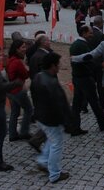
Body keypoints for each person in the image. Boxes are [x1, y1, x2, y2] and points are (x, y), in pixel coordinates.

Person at [31, 52, 71, 183]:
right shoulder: (51, 82)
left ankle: (43, 161)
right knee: (56, 144)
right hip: (51, 119)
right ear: (53, 66)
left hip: (41, 116)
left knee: (51, 139)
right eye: (58, 64)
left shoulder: (38, 76)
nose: (60, 66)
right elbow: (59, 104)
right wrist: (66, 121)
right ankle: (54, 174)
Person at [69, 25, 104, 135]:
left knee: (77, 104)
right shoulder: (82, 45)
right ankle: (102, 122)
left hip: (76, 77)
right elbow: (89, 60)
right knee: (94, 102)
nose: (92, 35)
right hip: (85, 78)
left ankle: (75, 126)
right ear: (84, 33)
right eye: (90, 33)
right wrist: (101, 65)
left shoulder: (74, 44)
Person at [6, 40, 33, 142]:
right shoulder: (17, 62)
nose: (25, 49)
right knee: (29, 109)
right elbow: (26, 75)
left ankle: (12, 134)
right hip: (18, 90)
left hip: (10, 91)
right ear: (17, 49)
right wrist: (26, 69)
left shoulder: (10, 60)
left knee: (15, 112)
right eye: (22, 47)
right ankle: (24, 132)